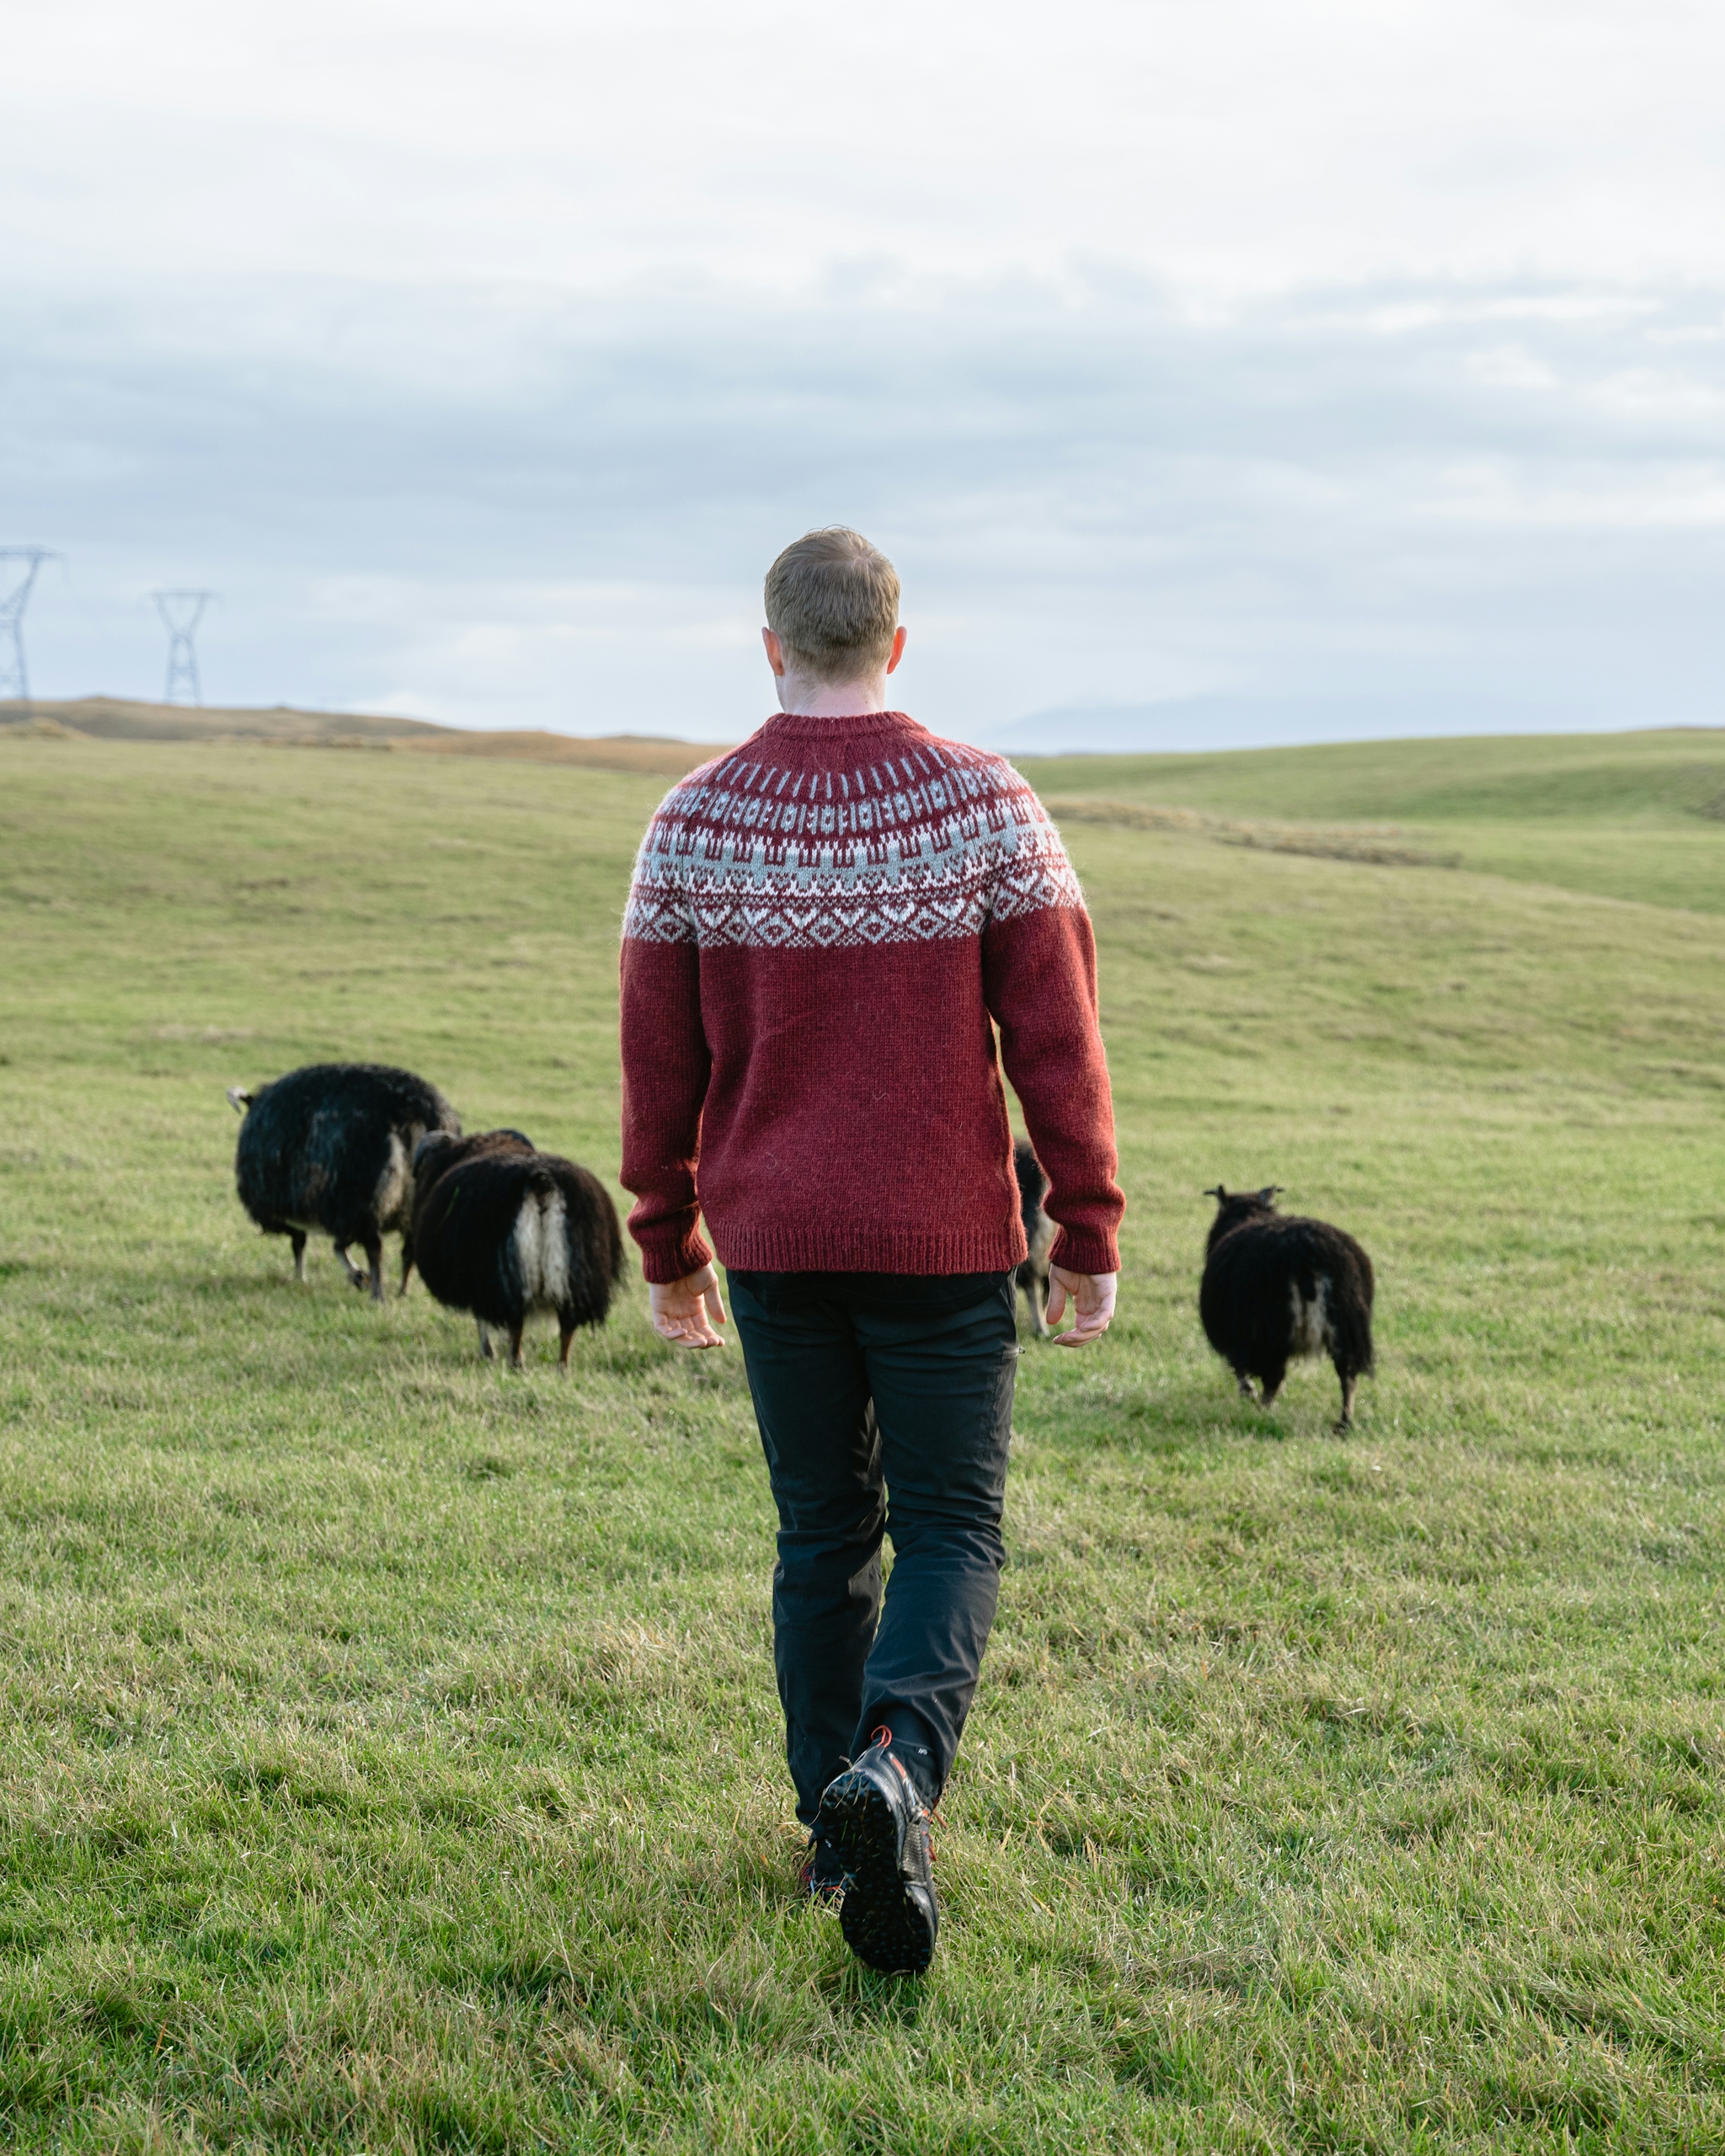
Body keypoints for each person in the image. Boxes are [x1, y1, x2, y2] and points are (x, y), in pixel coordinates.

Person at [618, 527, 1123, 1975]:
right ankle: (894, 1775)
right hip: (943, 1243)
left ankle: (833, 1833)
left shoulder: (694, 820)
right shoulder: (986, 801)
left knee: (821, 1537)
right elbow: (1059, 1039)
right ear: (897, 643)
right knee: (952, 1530)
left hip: (774, 1242)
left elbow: (659, 1064)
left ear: (770, 643)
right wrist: (1084, 1223)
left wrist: (668, 1243)